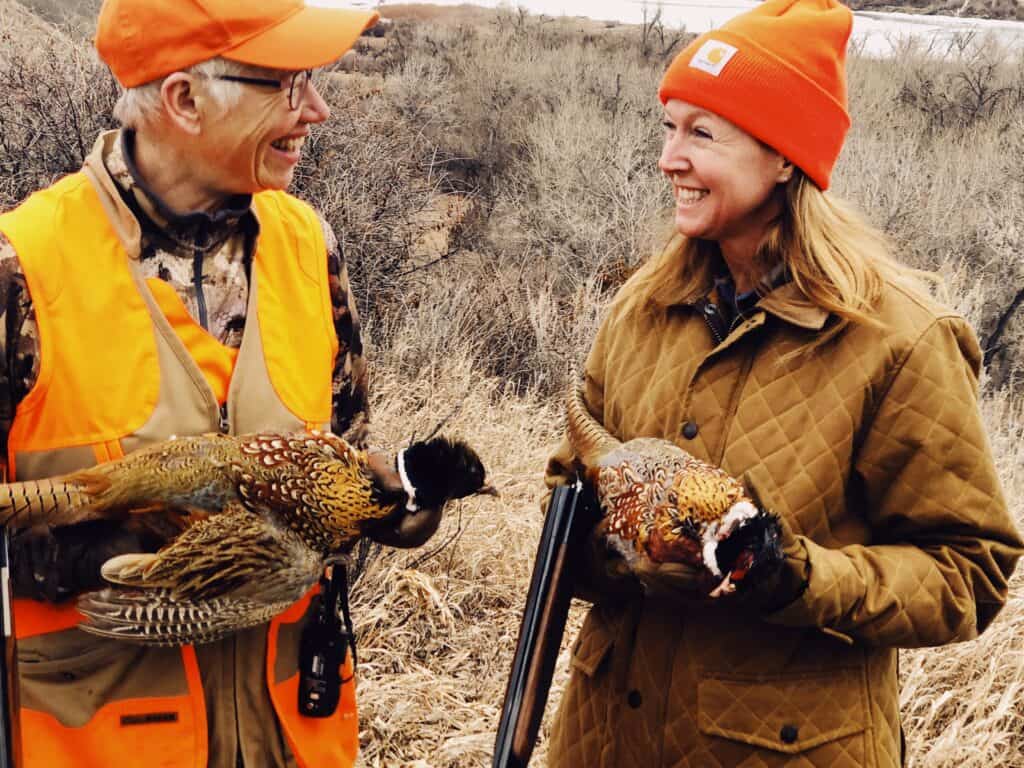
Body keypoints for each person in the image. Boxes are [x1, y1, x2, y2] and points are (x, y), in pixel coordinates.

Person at [543, 1, 1024, 766]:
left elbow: (968, 573)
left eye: (702, 133)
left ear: (786, 158)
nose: (670, 157)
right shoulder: (642, 306)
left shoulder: (898, 340)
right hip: (608, 742)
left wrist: (792, 575)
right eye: (668, 127)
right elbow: (567, 502)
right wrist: (622, 554)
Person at [0, 1, 438, 766]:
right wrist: (103, 553)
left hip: (288, 738)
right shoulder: (24, 268)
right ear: (183, 99)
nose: (317, 109)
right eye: (286, 83)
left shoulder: (309, 246)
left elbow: (346, 444)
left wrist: (390, 499)